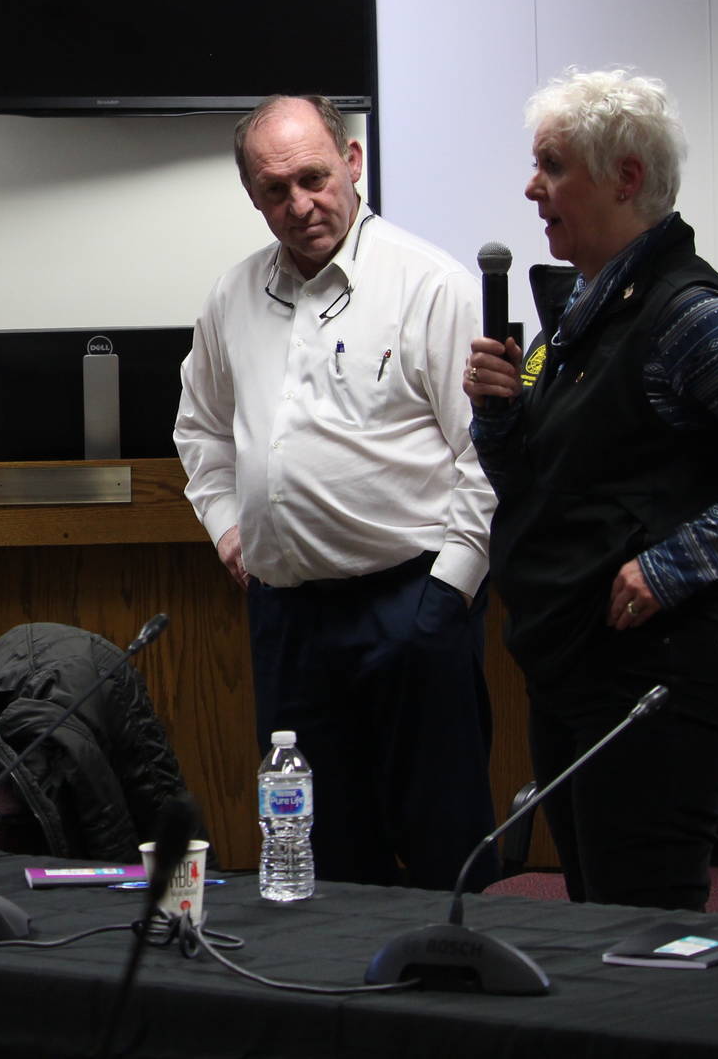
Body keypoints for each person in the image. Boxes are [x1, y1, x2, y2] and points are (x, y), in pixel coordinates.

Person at [466, 69, 718, 910]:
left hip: (659, 670)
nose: (533, 189)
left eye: (553, 166)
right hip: (573, 661)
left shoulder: (687, 312)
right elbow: (541, 488)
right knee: (595, 922)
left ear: (626, 178)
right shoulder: (588, 312)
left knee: (646, 939)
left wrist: (673, 566)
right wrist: (497, 418)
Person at [174, 94, 498, 890]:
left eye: (314, 178)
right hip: (288, 621)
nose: (300, 204)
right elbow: (202, 433)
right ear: (253, 196)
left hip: (411, 605)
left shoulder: (431, 284)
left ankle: (456, 1009)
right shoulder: (231, 296)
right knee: (318, 856)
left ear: (353, 162)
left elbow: (485, 456)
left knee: (442, 844)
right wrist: (226, 529)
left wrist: (446, 594)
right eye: (275, 190)